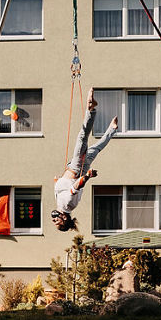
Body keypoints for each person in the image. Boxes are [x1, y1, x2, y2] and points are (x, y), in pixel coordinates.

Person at [52, 88, 117, 231]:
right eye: (57, 222)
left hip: (75, 168)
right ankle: (91, 108)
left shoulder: (62, 205)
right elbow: (76, 187)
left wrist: (58, 181)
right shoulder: (68, 205)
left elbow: (65, 188)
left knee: (95, 149)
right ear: (64, 219)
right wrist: (87, 177)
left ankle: (112, 129)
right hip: (76, 168)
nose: (54, 219)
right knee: (82, 137)